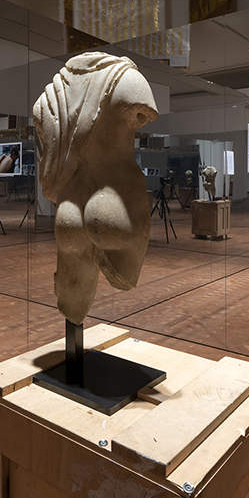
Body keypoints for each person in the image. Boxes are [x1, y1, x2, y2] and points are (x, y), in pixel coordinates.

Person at [33, 52, 158, 326]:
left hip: (69, 205)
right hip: (115, 196)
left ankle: (73, 337)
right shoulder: (127, 80)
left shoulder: (51, 96)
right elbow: (145, 112)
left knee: (72, 301)